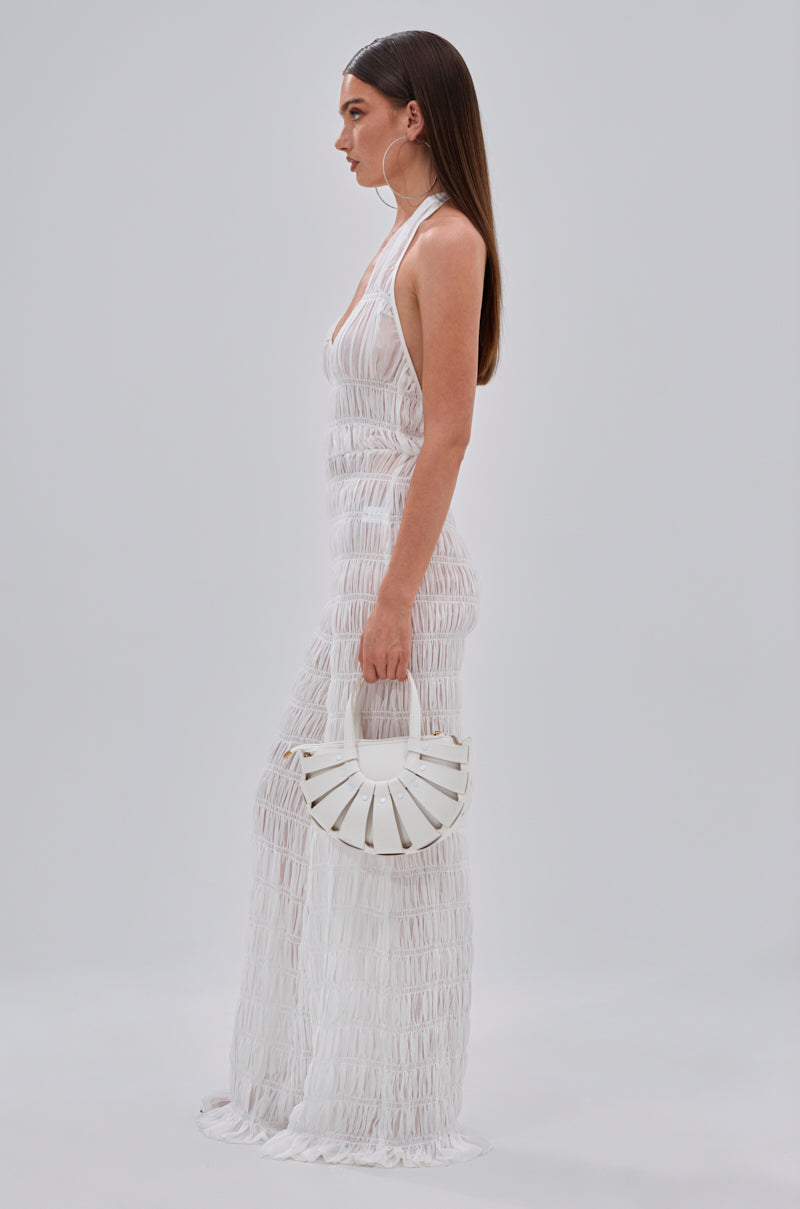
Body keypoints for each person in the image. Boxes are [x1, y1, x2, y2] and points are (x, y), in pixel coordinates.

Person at [196, 29, 502, 1167]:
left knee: (394, 839)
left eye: (355, 113)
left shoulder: (449, 241)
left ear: (413, 116)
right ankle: (299, 1080)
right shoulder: (396, 241)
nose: (339, 138)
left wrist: (394, 598)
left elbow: (446, 435)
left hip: (398, 578)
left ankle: (390, 1111)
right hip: (360, 569)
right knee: (297, 809)